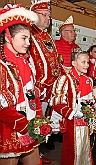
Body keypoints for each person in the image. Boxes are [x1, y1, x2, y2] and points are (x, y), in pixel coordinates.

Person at [0, 4, 42, 165]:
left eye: (29, 39)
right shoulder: (2, 66)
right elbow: (3, 109)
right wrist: (26, 126)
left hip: (29, 124)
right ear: (7, 38)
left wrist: (38, 120)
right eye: (24, 38)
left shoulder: (25, 63)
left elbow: (32, 95)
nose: (28, 43)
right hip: (9, 129)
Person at [28, 0, 63, 156]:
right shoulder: (28, 33)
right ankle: (28, 154)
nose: (48, 18)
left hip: (49, 88)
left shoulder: (47, 36)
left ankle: (37, 152)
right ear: (35, 15)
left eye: (49, 15)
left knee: (42, 121)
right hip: (36, 89)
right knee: (33, 121)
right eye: (45, 15)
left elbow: (54, 60)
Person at [49, 48, 95, 165]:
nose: (86, 65)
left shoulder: (88, 80)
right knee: (73, 150)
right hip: (71, 122)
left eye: (88, 62)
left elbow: (90, 100)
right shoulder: (65, 79)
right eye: (83, 62)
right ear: (74, 63)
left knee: (85, 147)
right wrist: (73, 112)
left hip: (85, 121)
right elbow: (56, 102)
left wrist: (90, 112)